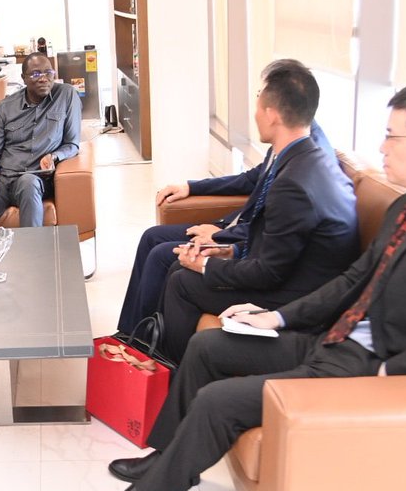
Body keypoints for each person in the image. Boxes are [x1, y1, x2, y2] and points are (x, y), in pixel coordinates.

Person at [87, 77, 406, 491]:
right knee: (209, 347)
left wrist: (390, 372)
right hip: (333, 341)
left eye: (393, 136)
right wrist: (275, 317)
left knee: (220, 401)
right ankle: (169, 456)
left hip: (370, 367)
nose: (382, 147)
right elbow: (355, 280)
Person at [152, 60, 358, 363]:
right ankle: (155, 361)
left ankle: (171, 372)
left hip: (298, 294)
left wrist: (208, 267)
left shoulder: (294, 184)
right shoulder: (305, 157)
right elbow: (276, 245)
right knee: (179, 268)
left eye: (258, 104)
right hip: (296, 273)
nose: (255, 112)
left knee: (182, 281)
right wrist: (227, 252)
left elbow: (270, 272)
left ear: (272, 114)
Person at [115, 118, 335, 337]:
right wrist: (191, 187)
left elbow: (279, 231)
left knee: (163, 256)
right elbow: (250, 179)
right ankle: (130, 333)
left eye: (262, 94)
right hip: (236, 229)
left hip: (248, 241)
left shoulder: (307, 156)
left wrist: (223, 236)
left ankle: (143, 341)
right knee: (152, 237)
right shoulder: (286, 140)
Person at [0, 52, 81, 229]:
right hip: (2, 180)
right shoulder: (4, 107)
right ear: (24, 78)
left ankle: (32, 254)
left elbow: (72, 144)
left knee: (29, 183)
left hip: (34, 178)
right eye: (35, 74)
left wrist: (54, 156)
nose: (43, 78)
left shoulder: (66, 95)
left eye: (48, 72)